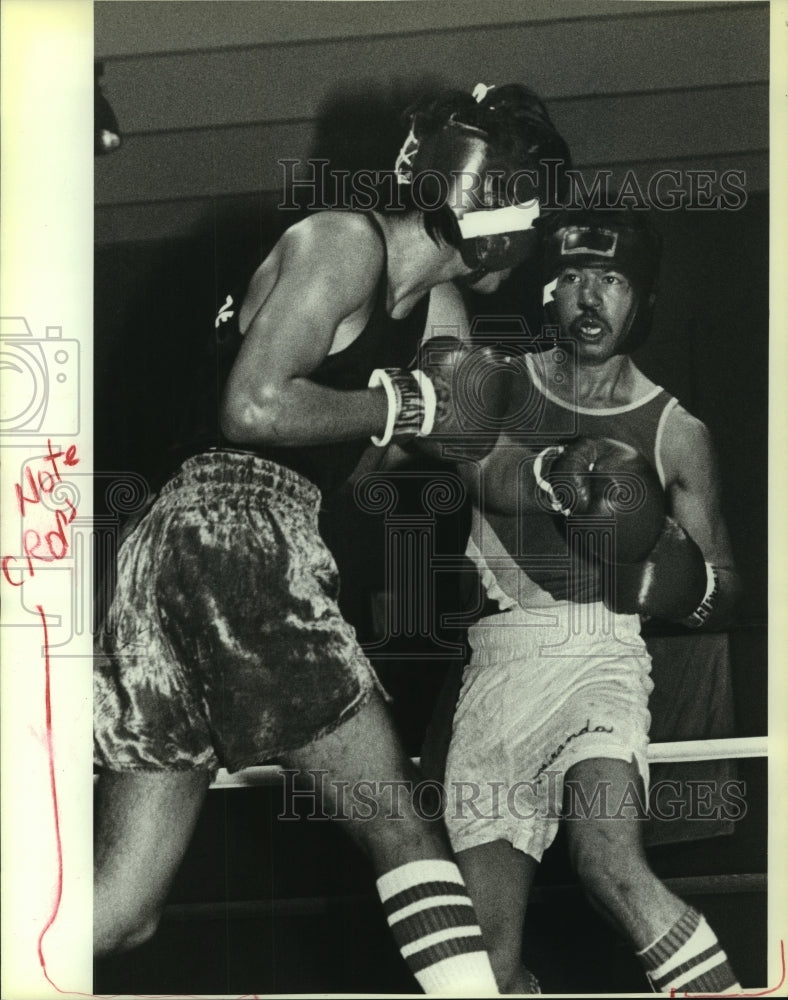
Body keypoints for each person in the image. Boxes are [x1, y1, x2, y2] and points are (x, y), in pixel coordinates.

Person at [92, 83, 571, 994]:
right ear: (502, 209)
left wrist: (550, 476)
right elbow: (254, 405)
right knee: (399, 822)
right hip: (231, 529)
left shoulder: (436, 314)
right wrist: (395, 404)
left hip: (194, 554)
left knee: (121, 911)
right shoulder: (339, 241)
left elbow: (456, 453)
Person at [428, 209, 742, 994]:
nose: (589, 298)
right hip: (498, 666)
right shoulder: (496, 384)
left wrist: (672, 583)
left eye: (611, 280)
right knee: (483, 963)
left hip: (602, 656)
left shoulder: (678, 432)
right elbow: (461, 460)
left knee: (609, 864)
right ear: (548, 290)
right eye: (572, 278)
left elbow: (725, 586)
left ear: (642, 301)